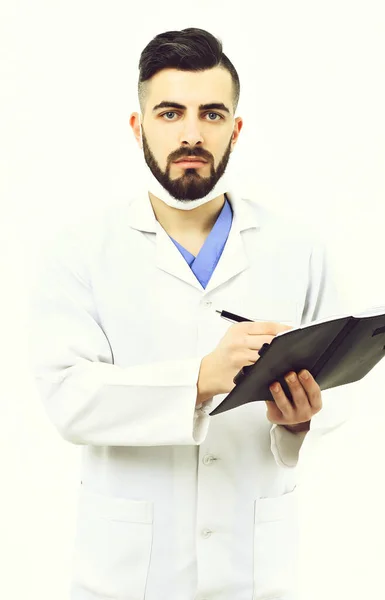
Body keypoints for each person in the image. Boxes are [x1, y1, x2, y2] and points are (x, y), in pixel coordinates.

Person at [27, 27, 352, 600]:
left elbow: (342, 389)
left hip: (253, 568)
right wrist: (201, 378)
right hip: (127, 574)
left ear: (236, 128)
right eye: (170, 113)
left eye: (212, 113)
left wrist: (302, 421)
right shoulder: (80, 251)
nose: (192, 134)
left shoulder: (297, 248)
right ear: (139, 126)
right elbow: (68, 398)